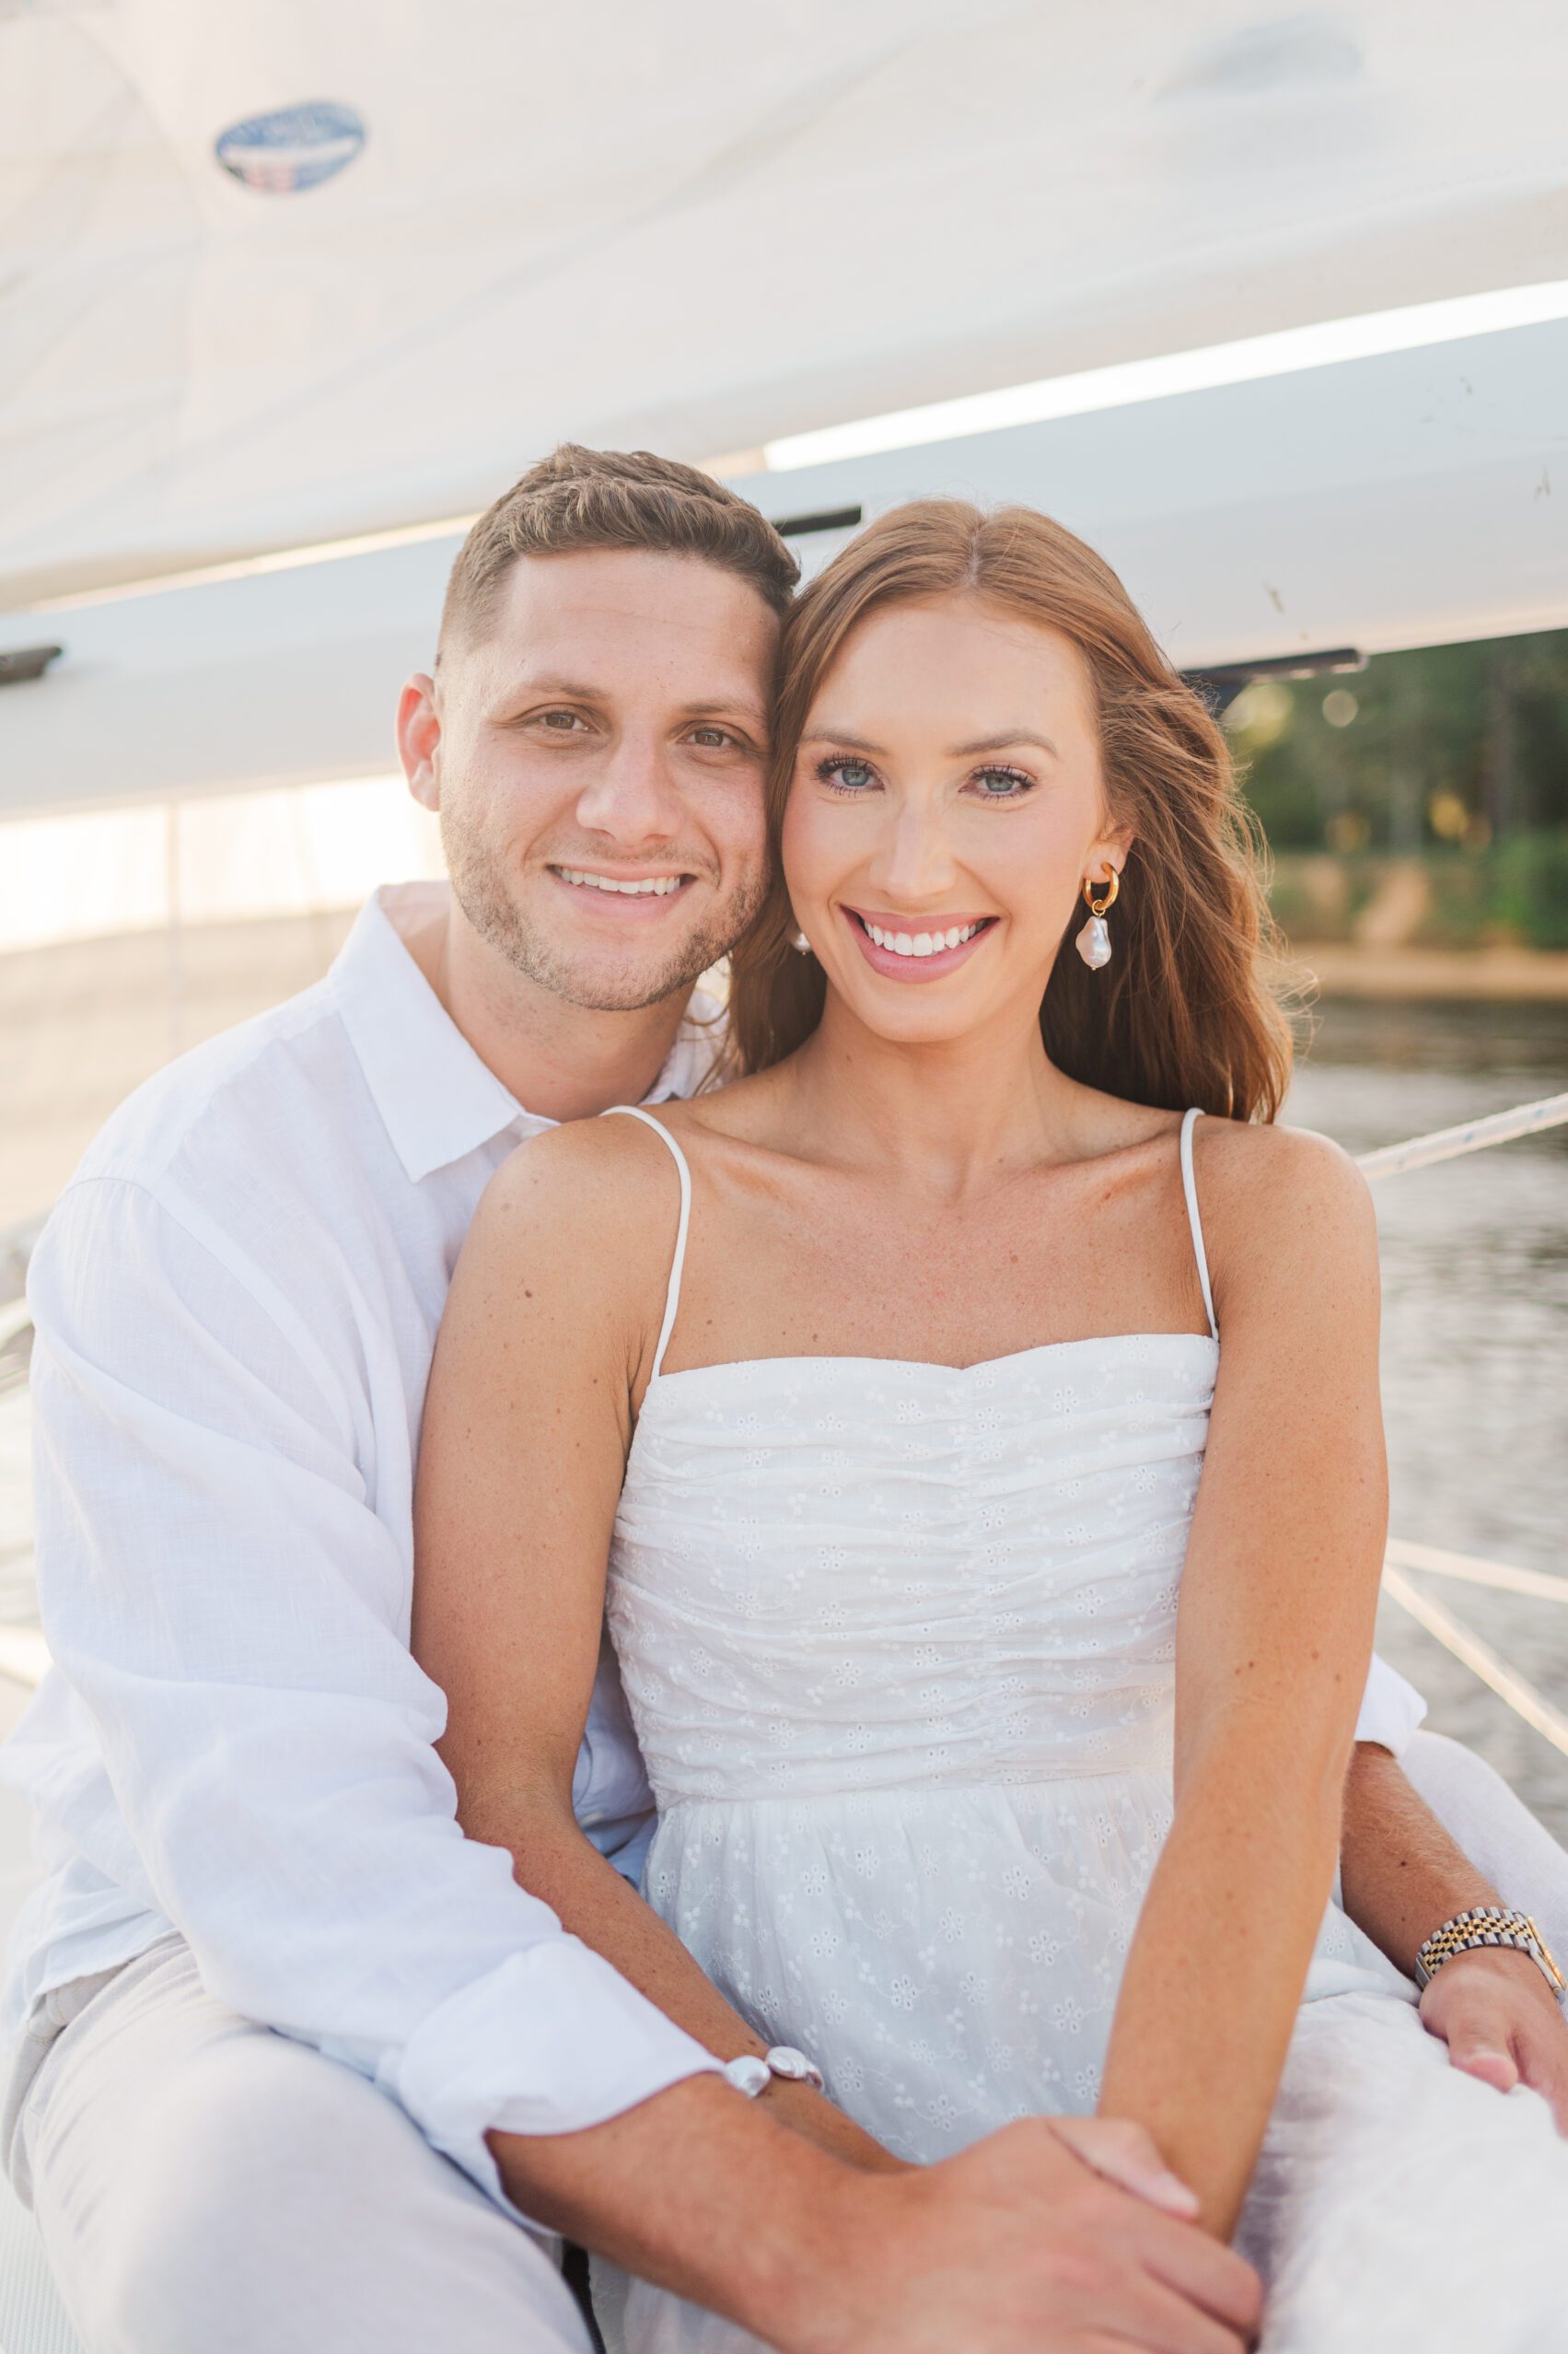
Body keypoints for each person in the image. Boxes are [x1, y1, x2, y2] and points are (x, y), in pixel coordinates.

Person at [0, 449, 1556, 2354]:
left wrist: (1463, 1928)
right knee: (286, 2237)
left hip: (828, 1933)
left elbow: (1257, 1684)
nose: (633, 806)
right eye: (558, 720)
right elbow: (326, 1848)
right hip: (254, 1947)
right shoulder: (221, 1192)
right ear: (424, 736)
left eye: (717, 739)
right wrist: (843, 2226)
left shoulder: (894, 1061)